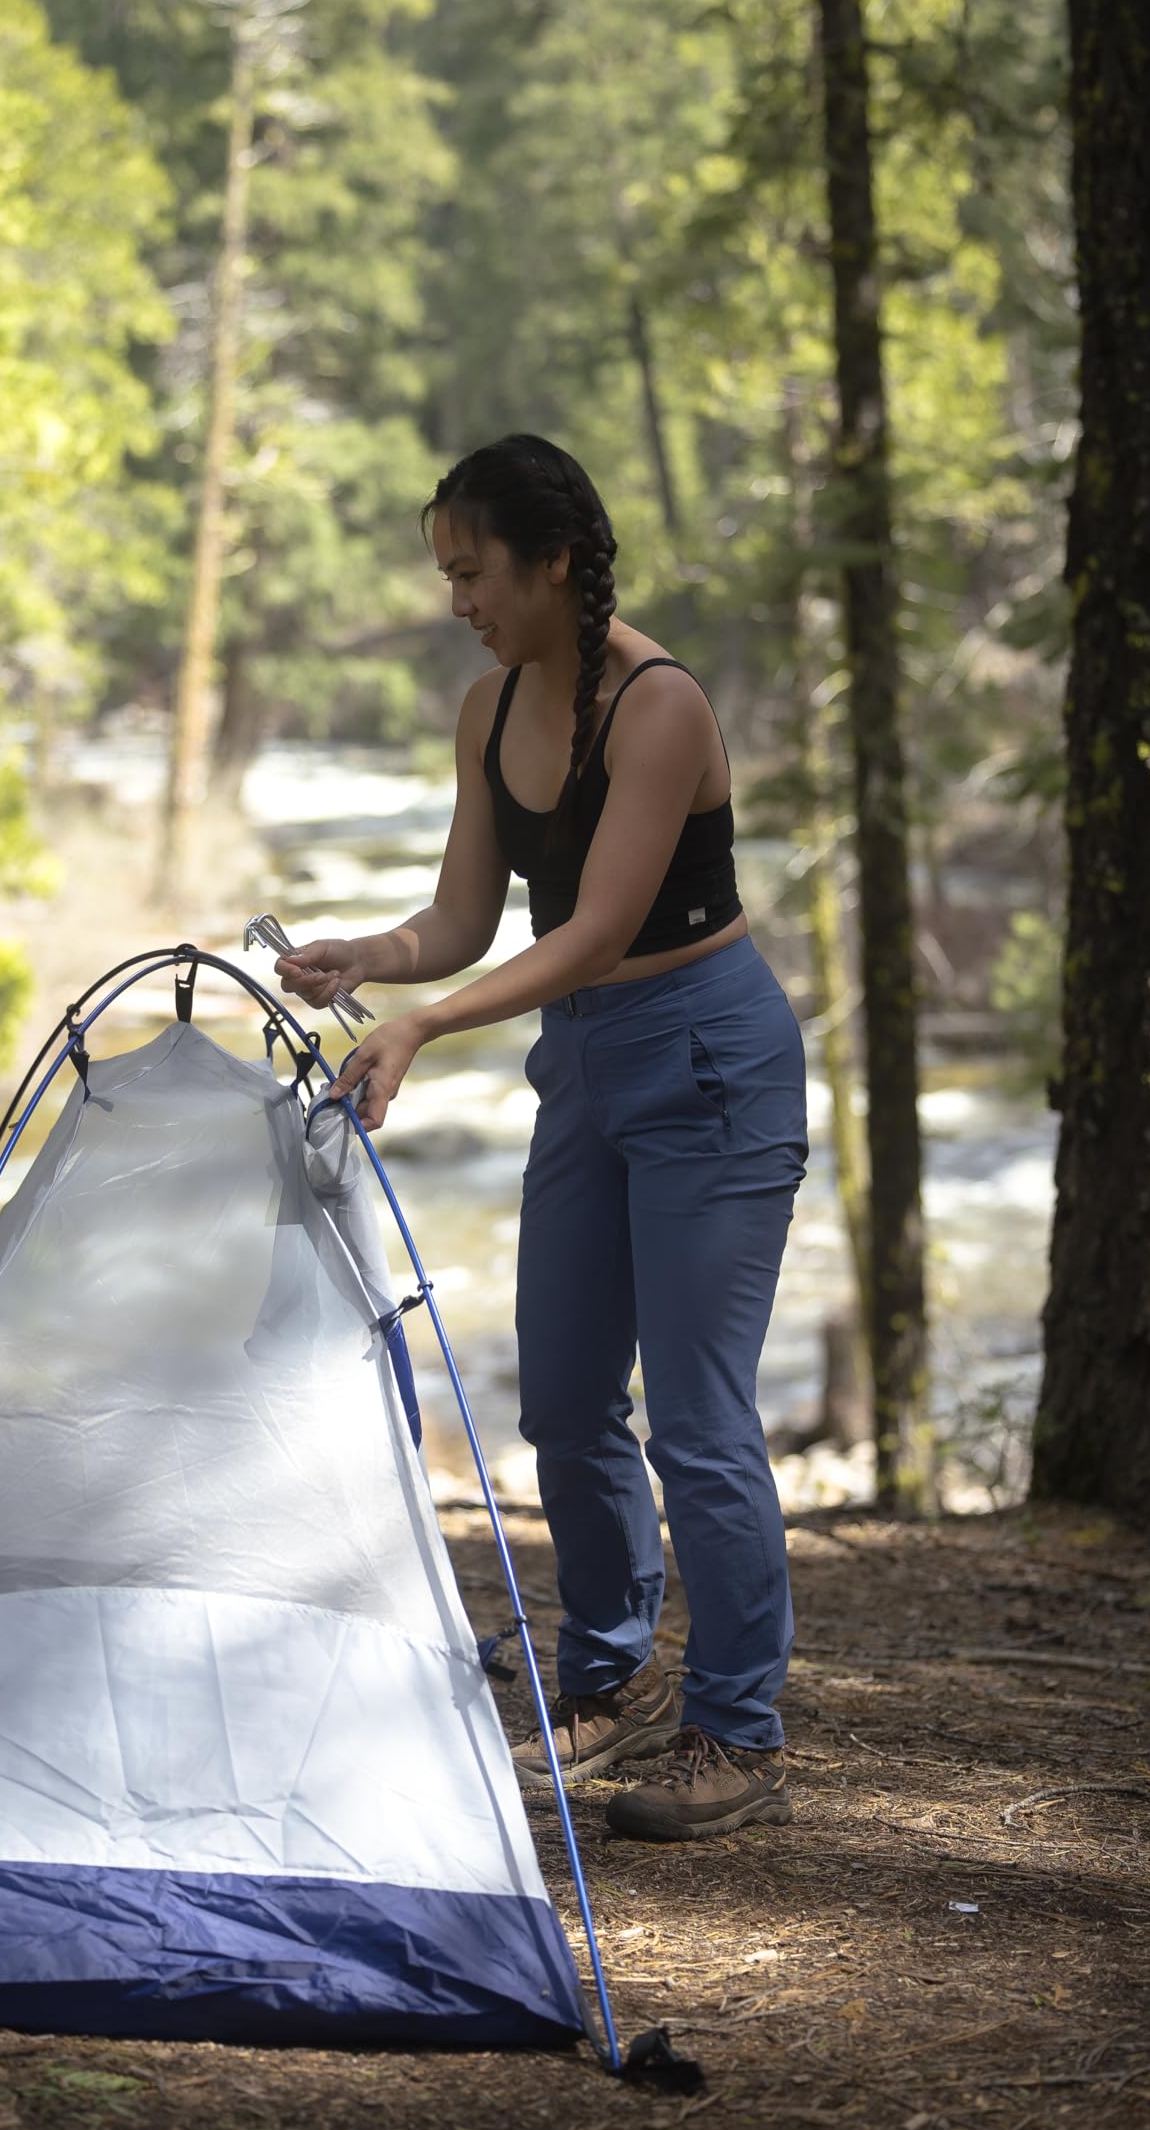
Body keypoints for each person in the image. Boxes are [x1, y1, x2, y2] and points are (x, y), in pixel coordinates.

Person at [276, 434, 807, 1843]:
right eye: (445, 573)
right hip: (585, 1069)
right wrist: (370, 963)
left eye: (473, 571)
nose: (457, 598)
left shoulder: (660, 707)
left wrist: (429, 1030)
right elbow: (466, 917)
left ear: (554, 561)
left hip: (705, 1062)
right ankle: (610, 1681)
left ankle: (738, 1731)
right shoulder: (490, 707)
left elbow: (595, 933)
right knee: (567, 1401)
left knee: (699, 1422)